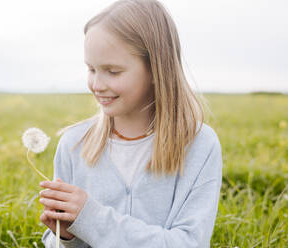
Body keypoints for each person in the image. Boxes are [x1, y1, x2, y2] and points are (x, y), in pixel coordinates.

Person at [39, 0, 223, 247]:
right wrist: (66, 237)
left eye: (113, 71)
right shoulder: (73, 144)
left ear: (157, 69)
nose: (97, 84)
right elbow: (53, 243)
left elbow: (190, 243)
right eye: (91, 69)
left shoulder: (199, 145)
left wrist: (91, 218)